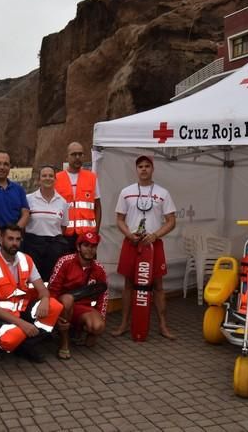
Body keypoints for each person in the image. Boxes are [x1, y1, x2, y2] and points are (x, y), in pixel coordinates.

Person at [0, 224, 63, 362]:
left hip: (19, 310)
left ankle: (26, 346)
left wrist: (45, 299)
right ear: (0, 239)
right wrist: (22, 324)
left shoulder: (26, 259)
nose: (14, 243)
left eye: (17, 239)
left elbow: (42, 289)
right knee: (11, 338)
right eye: (10, 239)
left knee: (55, 306)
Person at [111, 155, 177, 339]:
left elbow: (171, 221)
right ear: (136, 169)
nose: (144, 169)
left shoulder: (163, 193)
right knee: (128, 283)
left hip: (153, 244)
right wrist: (129, 234)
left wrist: (155, 235)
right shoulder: (126, 192)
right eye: (140, 166)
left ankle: (163, 326)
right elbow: (119, 219)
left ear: (152, 168)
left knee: (158, 284)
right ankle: (124, 323)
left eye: (147, 166)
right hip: (131, 243)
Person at [48, 231, 108, 360]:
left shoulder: (99, 269)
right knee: (68, 298)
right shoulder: (64, 261)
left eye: (93, 246)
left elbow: (103, 296)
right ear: (78, 247)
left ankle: (79, 331)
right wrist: (53, 315)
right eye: (86, 245)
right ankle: (64, 343)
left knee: (97, 327)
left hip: (83, 308)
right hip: (63, 305)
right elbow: (52, 290)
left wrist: (98, 325)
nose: (90, 250)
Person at [23, 165, 69, 281]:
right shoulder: (29, 199)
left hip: (54, 249)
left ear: (55, 179)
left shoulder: (62, 202)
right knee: (33, 281)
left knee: (52, 281)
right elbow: (23, 223)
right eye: (44, 176)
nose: (47, 178)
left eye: (50, 176)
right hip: (33, 248)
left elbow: (63, 227)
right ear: (39, 179)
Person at [55, 142, 102, 252]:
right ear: (67, 157)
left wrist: (95, 232)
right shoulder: (57, 178)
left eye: (80, 154)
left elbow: (98, 207)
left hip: (87, 235)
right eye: (74, 154)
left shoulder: (92, 177)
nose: (77, 157)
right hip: (64, 235)